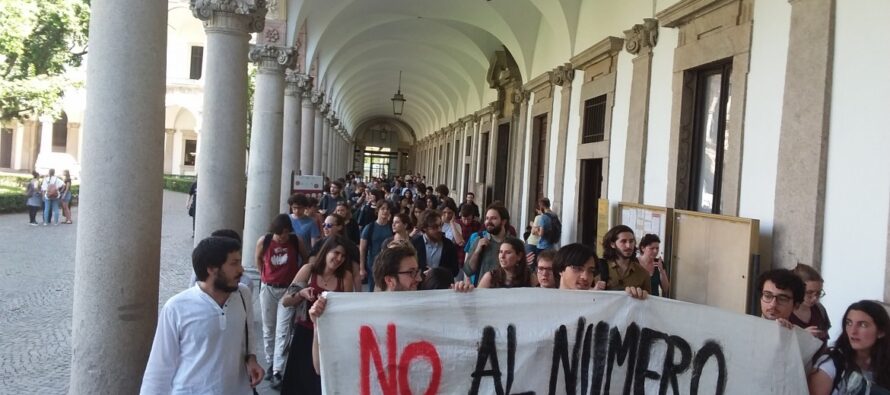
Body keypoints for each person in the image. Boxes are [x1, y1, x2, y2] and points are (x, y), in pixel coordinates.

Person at [141, 236, 264, 394]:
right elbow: (159, 367)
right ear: (211, 268)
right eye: (234, 264)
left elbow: (248, 332)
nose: (241, 270)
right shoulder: (176, 307)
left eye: (239, 262)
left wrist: (251, 357)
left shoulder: (243, 294)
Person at [279, 235, 354, 394]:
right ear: (326, 251)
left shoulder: (345, 277)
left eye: (343, 256)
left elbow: (348, 309)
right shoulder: (308, 270)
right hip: (304, 333)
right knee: (300, 382)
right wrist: (301, 294)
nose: (339, 258)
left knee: (321, 383)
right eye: (336, 253)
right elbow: (285, 301)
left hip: (330, 337)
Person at [252, 214, 307, 389]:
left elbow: (306, 258)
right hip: (268, 287)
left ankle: (278, 370)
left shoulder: (295, 240)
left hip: (288, 288)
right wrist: (264, 275)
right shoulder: (265, 241)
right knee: (268, 327)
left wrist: (299, 279)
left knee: (283, 329)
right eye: (279, 234)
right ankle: (270, 362)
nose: (282, 237)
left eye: (285, 233)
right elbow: (258, 258)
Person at [808, 300, 890, 394]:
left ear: (881, 332)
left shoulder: (885, 365)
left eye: (863, 325)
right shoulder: (830, 365)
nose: (853, 331)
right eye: (849, 323)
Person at [308, 213, 361, 291]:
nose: (325, 228)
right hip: (318, 286)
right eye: (324, 225)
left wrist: (359, 295)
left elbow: (356, 274)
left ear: (340, 227)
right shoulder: (319, 244)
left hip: (342, 287)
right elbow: (312, 267)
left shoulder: (351, 246)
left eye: (329, 225)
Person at [463, 205, 511, 286]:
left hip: (505, 292)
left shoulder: (513, 243)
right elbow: (468, 271)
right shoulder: (479, 239)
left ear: (503, 221)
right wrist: (477, 251)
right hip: (482, 291)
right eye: (487, 218)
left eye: (493, 218)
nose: (489, 221)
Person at [601, 225, 651, 292]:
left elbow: (648, 300)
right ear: (612, 244)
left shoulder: (642, 273)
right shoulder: (600, 267)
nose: (628, 246)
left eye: (631, 241)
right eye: (623, 241)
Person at [411, 209, 460, 277]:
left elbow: (455, 271)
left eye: (440, 225)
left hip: (442, 286)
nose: (440, 229)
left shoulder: (449, 245)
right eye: (435, 227)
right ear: (424, 228)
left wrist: (437, 272)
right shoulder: (414, 244)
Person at [359, 200, 394, 291]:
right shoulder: (369, 227)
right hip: (373, 265)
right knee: (372, 291)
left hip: (389, 264)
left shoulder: (392, 227)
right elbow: (362, 249)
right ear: (377, 210)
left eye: (387, 209)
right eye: (382, 209)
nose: (385, 211)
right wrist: (362, 268)